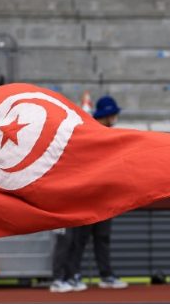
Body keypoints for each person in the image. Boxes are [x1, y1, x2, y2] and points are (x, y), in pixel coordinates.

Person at [50, 95, 128, 292]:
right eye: (114, 114)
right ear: (109, 114)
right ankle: (68, 275)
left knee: (101, 237)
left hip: (102, 196)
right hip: (82, 195)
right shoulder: (86, 133)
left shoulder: (109, 135)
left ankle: (103, 274)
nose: (115, 118)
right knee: (76, 238)